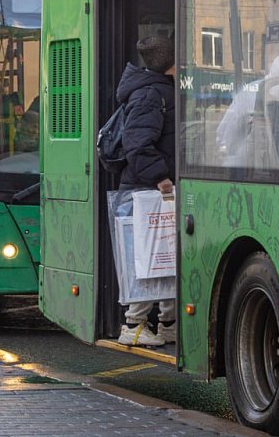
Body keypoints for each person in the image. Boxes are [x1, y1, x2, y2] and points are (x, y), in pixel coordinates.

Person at [112, 35, 177, 347]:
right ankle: (134, 325)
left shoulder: (155, 90)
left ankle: (168, 324)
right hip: (147, 190)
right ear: (172, 64)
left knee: (167, 258)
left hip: (153, 189)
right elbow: (137, 144)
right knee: (152, 258)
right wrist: (162, 177)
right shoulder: (152, 94)